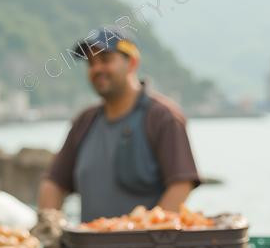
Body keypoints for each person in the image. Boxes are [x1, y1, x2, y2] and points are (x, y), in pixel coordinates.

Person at [39, 26, 200, 223]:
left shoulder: (162, 117)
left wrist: (147, 233)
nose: (97, 69)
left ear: (132, 63)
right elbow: (54, 183)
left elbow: (181, 184)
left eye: (105, 59)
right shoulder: (84, 122)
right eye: (91, 62)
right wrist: (49, 227)